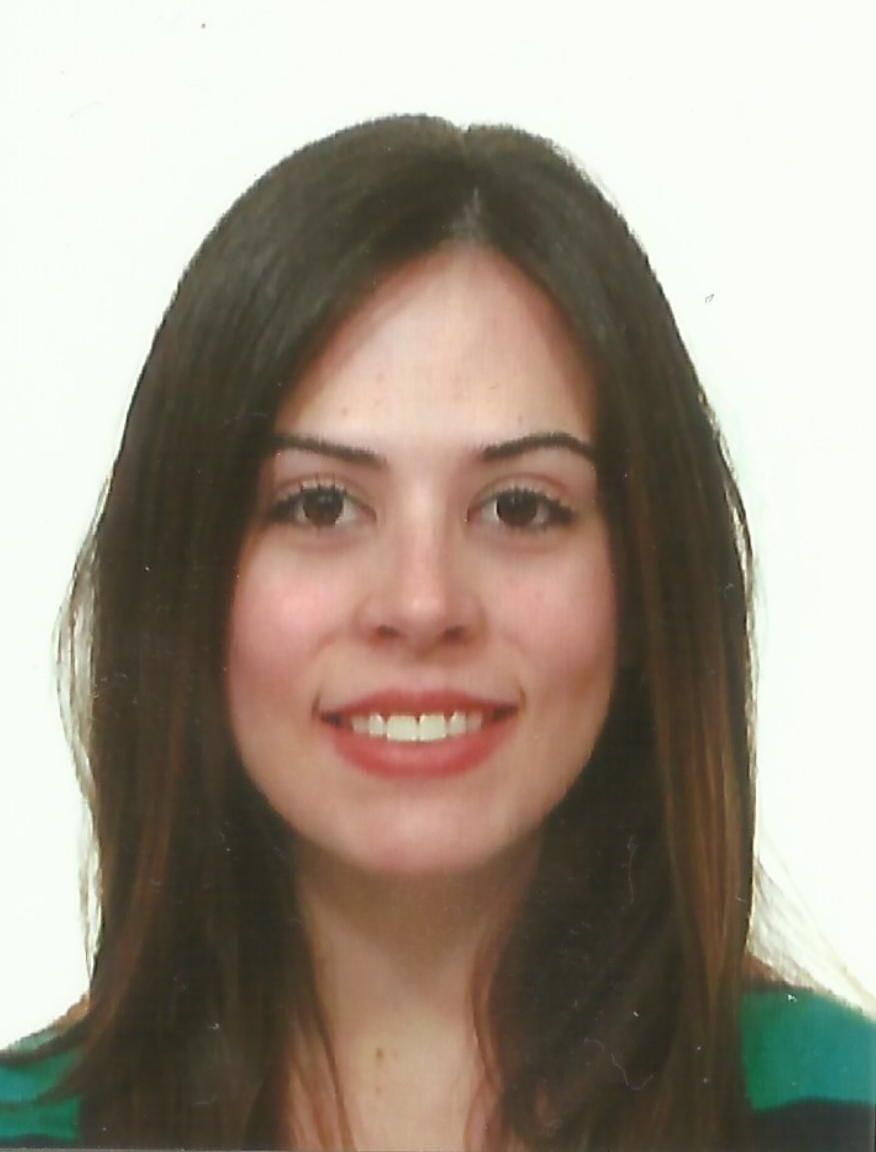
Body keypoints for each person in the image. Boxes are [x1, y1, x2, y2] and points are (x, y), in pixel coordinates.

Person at [1, 114, 874, 1151]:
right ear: (184, 585)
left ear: (646, 587)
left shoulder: (841, 1110)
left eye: (521, 507)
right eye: (320, 505)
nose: (422, 604)